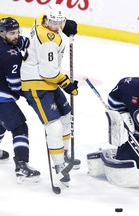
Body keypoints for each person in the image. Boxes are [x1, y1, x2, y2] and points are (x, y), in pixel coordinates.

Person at [20, 3, 80, 186]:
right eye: (53, 22)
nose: (56, 25)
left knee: (66, 116)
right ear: (47, 20)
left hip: (47, 83)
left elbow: (47, 17)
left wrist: (66, 24)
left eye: (59, 22)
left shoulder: (40, 21)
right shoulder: (48, 41)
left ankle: (65, 152)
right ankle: (59, 165)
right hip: (37, 84)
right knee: (53, 126)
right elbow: (49, 73)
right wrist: (67, 84)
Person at [0, 17, 40, 183]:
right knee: (19, 127)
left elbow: (21, 43)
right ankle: (22, 167)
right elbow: (14, 85)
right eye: (13, 33)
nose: (17, 36)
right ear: (2, 33)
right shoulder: (9, 56)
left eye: (17, 32)